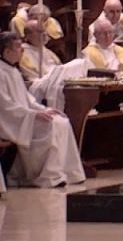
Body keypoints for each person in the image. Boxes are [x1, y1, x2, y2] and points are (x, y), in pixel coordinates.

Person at [0, 32, 85, 191]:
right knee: (50, 126)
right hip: (11, 122)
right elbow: (5, 107)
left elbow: (27, 99)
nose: (22, 51)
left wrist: (43, 109)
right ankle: (47, 176)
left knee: (61, 121)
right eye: (18, 47)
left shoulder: (12, 70)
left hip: (23, 117)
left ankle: (67, 173)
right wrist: (33, 115)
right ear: (6, 52)